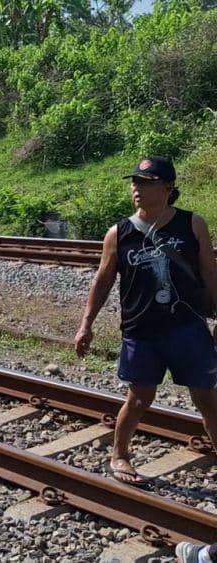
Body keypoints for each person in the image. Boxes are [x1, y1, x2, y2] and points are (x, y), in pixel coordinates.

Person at [75, 156, 217, 487]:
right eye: (134, 182)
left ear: (167, 189)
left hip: (188, 327)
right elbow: (102, 280)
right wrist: (86, 324)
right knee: (139, 397)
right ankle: (119, 454)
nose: (136, 188)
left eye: (145, 182)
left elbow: (210, 271)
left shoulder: (192, 224)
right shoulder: (119, 232)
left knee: (207, 397)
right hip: (142, 330)